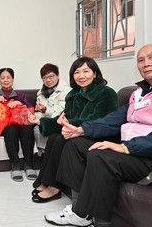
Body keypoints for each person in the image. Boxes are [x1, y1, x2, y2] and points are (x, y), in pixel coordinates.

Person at [45, 44, 152, 227]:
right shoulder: (140, 92)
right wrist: (81, 130)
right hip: (133, 153)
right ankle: (80, 210)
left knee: (101, 156)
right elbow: (114, 119)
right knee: (76, 144)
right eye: (141, 60)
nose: (146, 63)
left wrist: (125, 147)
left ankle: (96, 220)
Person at [29, 57, 118, 204]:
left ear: (95, 73)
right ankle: (47, 180)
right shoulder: (74, 95)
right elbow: (64, 118)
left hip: (97, 134)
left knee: (59, 140)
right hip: (75, 132)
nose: (81, 76)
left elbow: (97, 120)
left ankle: (54, 187)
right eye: (77, 72)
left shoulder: (106, 93)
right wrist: (40, 121)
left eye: (86, 71)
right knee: (53, 138)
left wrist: (67, 123)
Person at [0, 68, 36, 182]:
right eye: (2, 78)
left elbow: (30, 109)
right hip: (6, 126)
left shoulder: (20, 95)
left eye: (8, 77)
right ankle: (15, 165)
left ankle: (28, 164)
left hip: (20, 124)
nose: (5, 80)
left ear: (13, 79)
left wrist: (20, 103)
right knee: (10, 130)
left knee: (27, 129)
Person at [34, 63, 71, 155]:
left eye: (51, 76)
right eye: (44, 78)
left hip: (59, 121)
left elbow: (62, 110)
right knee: (33, 128)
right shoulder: (41, 93)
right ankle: (43, 154)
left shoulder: (66, 91)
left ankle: (48, 154)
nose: (48, 80)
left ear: (58, 75)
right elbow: (39, 111)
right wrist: (35, 115)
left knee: (40, 127)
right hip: (45, 120)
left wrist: (45, 109)